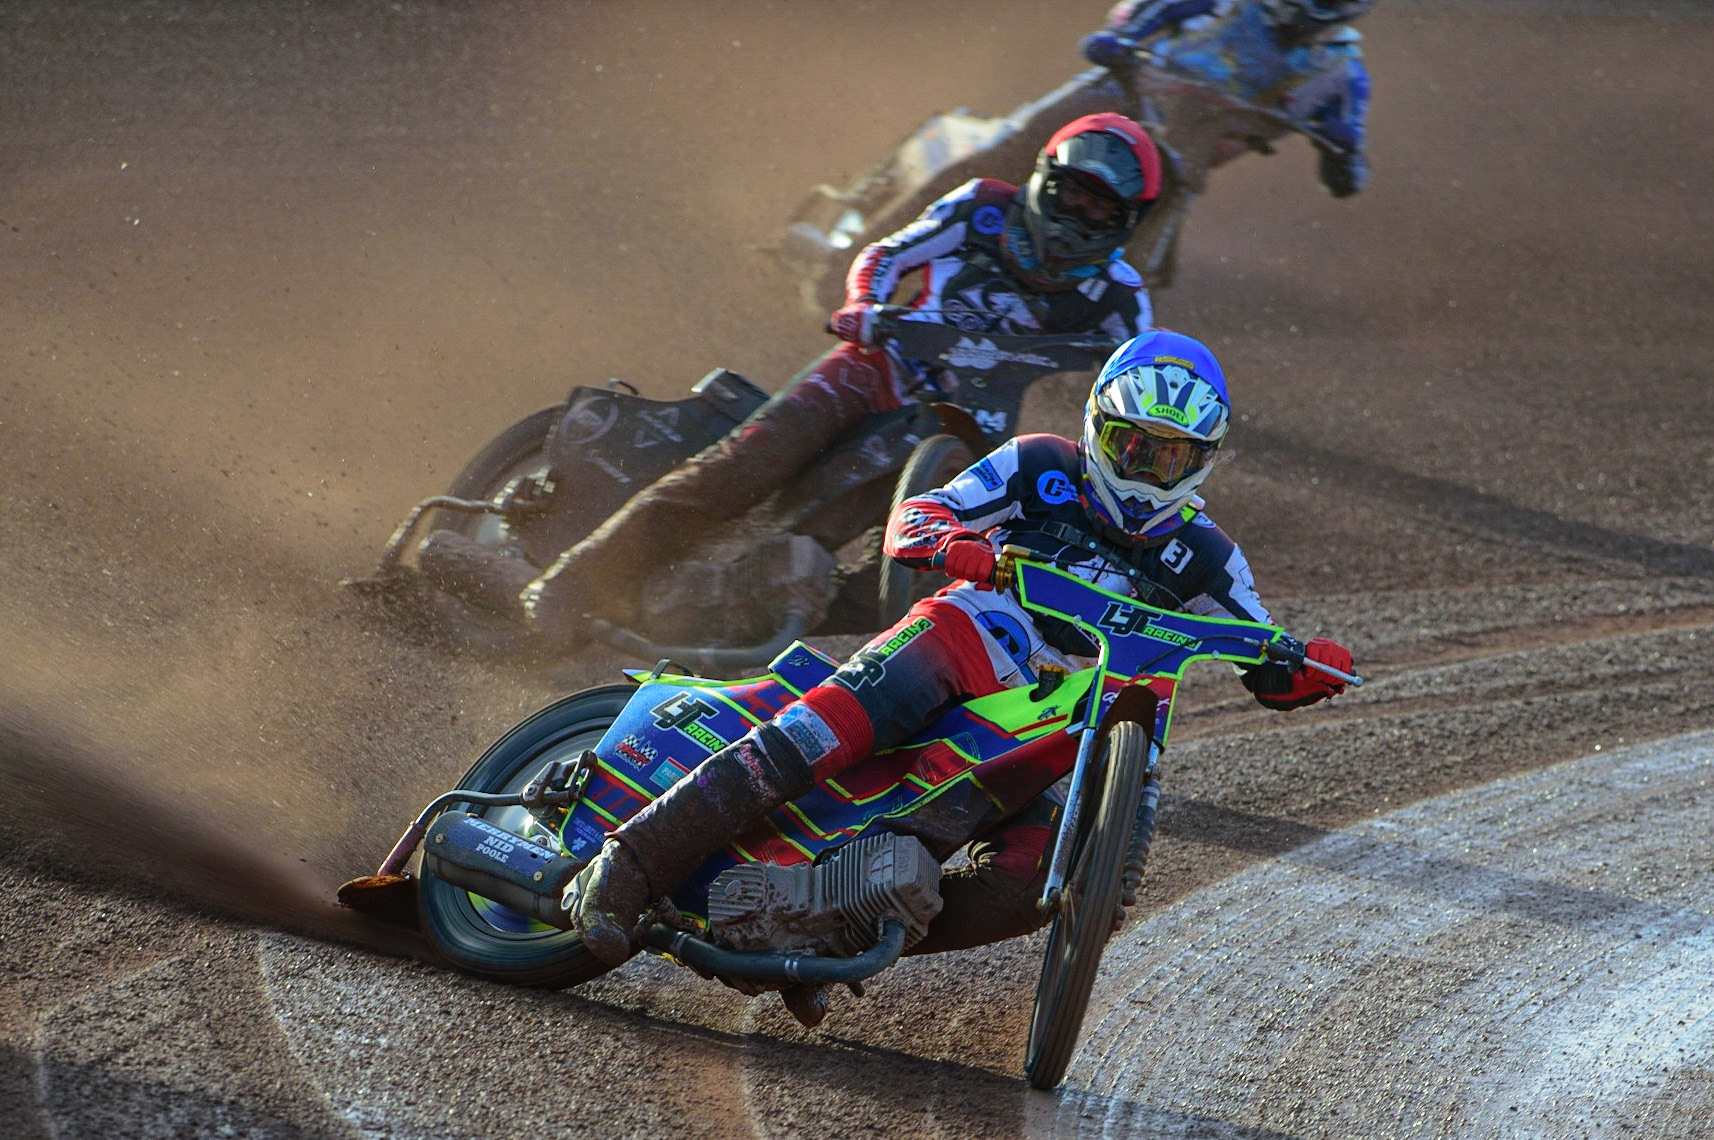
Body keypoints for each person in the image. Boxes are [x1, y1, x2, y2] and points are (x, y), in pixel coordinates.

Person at [563, 329, 1355, 1024]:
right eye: (1135, 447)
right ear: (1100, 428)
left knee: (1035, 880)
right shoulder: (1041, 463)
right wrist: (954, 545)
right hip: (966, 634)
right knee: (815, 736)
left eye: (1173, 456)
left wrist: (1309, 667)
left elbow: (1265, 652)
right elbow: (917, 516)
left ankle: (823, 932)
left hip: (1066, 719)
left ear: (1203, 460)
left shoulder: (1212, 557)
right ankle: (629, 862)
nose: (1149, 472)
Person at [518, 113, 1164, 641]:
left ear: (1125, 223)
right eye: (1073, 193)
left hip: (965, 428)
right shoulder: (981, 210)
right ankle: (573, 582)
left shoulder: (1120, 299)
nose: (1079, 214)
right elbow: (888, 253)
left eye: (1099, 209)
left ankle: (718, 616)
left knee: (869, 546)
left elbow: (1133, 388)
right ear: (1045, 180)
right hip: (871, 366)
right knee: (737, 469)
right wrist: (865, 303)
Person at [1083, 0, 1374, 198]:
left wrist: (1343, 154)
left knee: (1175, 180)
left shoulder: (1343, 72)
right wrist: (1118, 35)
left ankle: (1149, 250)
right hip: (1138, 86)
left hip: (1207, 136)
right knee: (1071, 108)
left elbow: (1351, 178)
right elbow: (1158, 5)